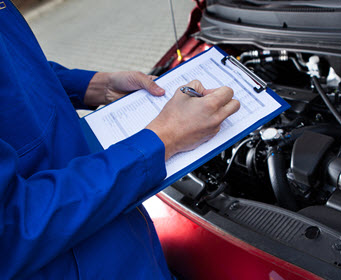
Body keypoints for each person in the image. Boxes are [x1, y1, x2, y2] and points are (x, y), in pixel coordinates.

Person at [0, 1, 240, 279]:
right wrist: (164, 139)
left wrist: (94, 86)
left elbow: (15, 67)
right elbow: (9, 229)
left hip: (111, 220)